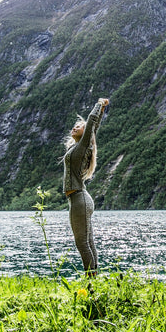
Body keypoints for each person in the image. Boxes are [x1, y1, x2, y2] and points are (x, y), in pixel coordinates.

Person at [63, 97, 109, 276]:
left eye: (78, 127)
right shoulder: (79, 147)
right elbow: (94, 126)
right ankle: (94, 280)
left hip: (79, 199)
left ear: (85, 133)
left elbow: (91, 123)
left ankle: (91, 281)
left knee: (82, 243)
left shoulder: (84, 146)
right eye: (74, 126)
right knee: (88, 242)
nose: (74, 128)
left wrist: (99, 104)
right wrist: (102, 110)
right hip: (80, 199)